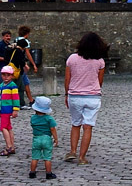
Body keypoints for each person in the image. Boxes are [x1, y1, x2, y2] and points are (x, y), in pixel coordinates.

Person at [63, 31, 107, 165]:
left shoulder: (72, 59)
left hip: (75, 95)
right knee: (88, 127)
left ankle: (72, 151)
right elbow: (100, 81)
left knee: (75, 124)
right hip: (93, 97)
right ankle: (82, 157)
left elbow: (67, 79)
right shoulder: (100, 61)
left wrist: (66, 94)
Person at [28, 96, 59, 179]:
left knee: (35, 157)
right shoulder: (49, 119)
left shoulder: (33, 118)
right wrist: (56, 138)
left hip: (36, 138)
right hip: (47, 138)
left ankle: (32, 172)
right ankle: (48, 173)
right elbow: (52, 129)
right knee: (47, 157)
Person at [0, 65, 20, 156]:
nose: (5, 77)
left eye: (8, 75)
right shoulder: (1, 86)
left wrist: (15, 109)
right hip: (2, 110)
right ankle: (12, 147)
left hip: (7, 110)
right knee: (8, 128)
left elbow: (16, 98)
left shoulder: (13, 86)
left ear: (12, 76)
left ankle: (9, 146)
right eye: (4, 75)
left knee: (3, 128)